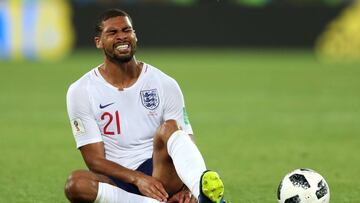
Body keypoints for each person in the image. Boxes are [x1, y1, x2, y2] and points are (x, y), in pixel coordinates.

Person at [65, 9, 227, 203]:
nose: (122, 36)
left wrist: (188, 187)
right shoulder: (81, 90)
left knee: (170, 127)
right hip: (118, 179)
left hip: (161, 173)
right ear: (98, 42)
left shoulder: (164, 83)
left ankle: (201, 192)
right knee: (76, 184)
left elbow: (184, 141)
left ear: (135, 36)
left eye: (127, 30)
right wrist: (138, 178)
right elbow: (94, 160)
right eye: (112, 32)